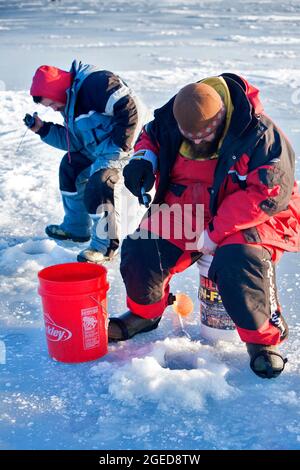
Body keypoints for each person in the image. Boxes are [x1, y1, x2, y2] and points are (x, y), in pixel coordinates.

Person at [108, 73, 300, 379]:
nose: (196, 142)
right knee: (142, 246)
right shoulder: (170, 120)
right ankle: (144, 314)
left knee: (239, 260)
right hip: (191, 204)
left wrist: (216, 231)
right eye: (190, 136)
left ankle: (263, 341)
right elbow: (150, 138)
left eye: (205, 135)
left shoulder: (261, 134)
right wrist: (144, 160)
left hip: (253, 211)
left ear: (222, 117)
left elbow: (268, 193)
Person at [26, 60, 150, 263]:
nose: (53, 109)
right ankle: (76, 228)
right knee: (70, 167)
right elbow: (76, 142)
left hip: (131, 146)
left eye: (51, 103)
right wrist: (42, 129)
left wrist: (121, 147)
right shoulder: (70, 102)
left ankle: (106, 246)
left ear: (56, 90)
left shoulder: (96, 83)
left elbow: (130, 107)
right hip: (100, 149)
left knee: (100, 182)